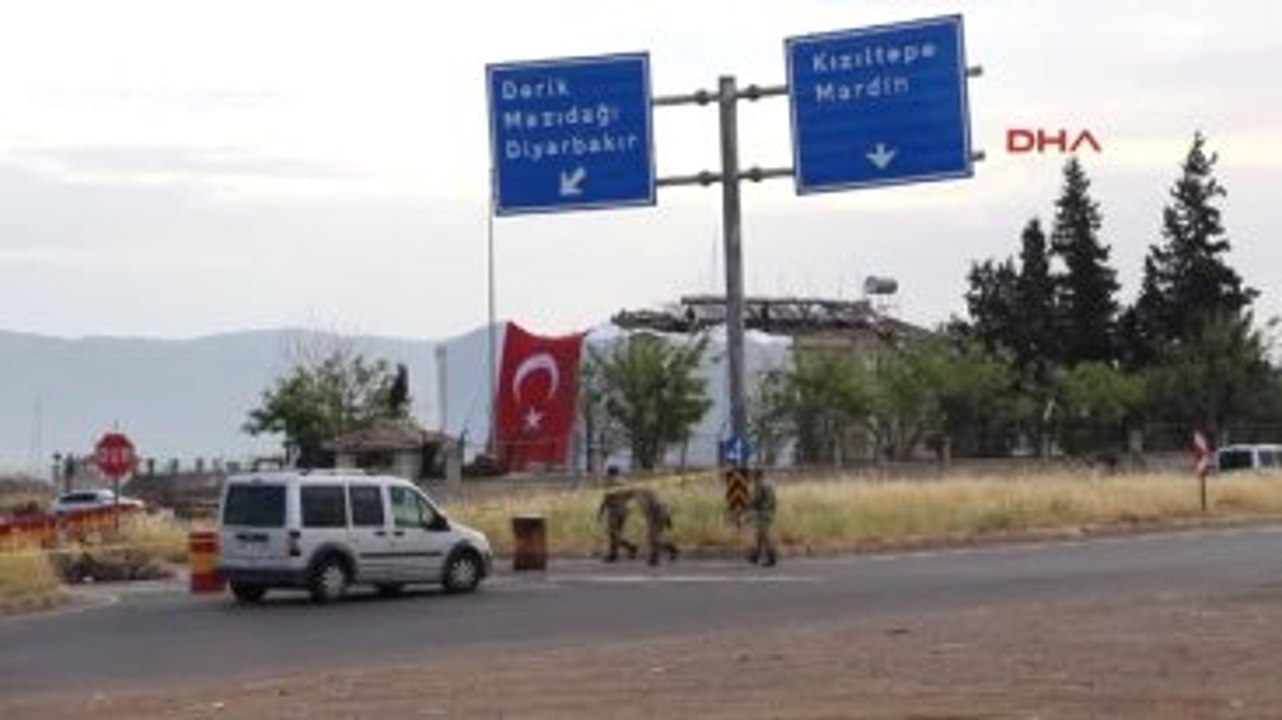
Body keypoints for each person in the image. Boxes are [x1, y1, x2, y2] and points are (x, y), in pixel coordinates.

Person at [634, 488, 679, 566]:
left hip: (657, 519)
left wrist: (650, 523)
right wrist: (668, 521)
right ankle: (671, 549)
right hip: (660, 518)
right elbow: (663, 510)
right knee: (654, 538)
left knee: (652, 538)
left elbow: (650, 512)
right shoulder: (655, 498)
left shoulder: (643, 499)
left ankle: (655, 558)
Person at [597, 487, 639, 562]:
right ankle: (628, 549)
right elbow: (633, 494)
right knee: (616, 534)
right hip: (622, 513)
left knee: (613, 534)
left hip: (615, 513)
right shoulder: (624, 489)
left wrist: (600, 514)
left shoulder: (611, 489)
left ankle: (615, 554)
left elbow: (605, 501)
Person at [746, 469, 778, 566]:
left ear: (756, 476)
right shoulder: (769, 484)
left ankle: (771, 558)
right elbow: (774, 500)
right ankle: (755, 556)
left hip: (763, 512)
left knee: (764, 536)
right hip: (769, 512)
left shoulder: (759, 485)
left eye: (753, 476)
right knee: (760, 535)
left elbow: (757, 499)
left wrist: (747, 505)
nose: (752, 478)